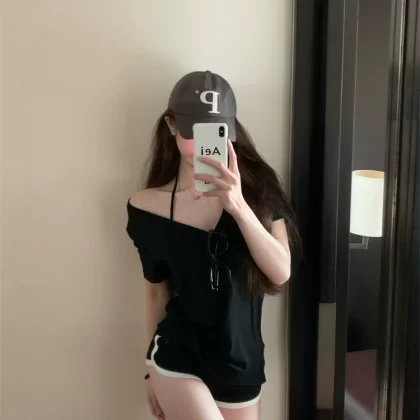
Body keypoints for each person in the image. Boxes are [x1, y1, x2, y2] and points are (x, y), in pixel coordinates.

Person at [126, 70, 298, 420]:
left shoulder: (260, 190)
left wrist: (237, 205)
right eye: (193, 132)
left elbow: (281, 272)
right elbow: (157, 292)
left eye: (215, 131)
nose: (202, 145)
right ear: (171, 125)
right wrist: (150, 371)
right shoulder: (146, 207)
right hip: (178, 357)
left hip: (241, 365)